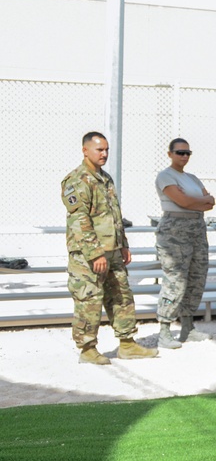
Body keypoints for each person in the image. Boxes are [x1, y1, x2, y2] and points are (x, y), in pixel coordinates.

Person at [62, 131, 158, 364]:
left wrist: (122, 245)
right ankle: (87, 349)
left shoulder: (105, 179)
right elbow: (80, 221)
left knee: (122, 296)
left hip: (112, 251)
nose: (104, 154)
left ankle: (127, 344)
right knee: (90, 300)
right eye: (99, 150)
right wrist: (95, 253)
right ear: (85, 150)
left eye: (106, 149)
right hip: (88, 255)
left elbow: (115, 216)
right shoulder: (76, 181)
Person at [153, 138, 215, 349]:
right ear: (170, 154)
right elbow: (185, 202)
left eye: (187, 152)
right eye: (180, 152)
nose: (184, 156)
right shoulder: (166, 176)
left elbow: (211, 202)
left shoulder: (192, 178)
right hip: (175, 231)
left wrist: (197, 202)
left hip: (196, 229)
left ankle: (187, 328)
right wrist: (199, 202)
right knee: (175, 280)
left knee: (196, 277)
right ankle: (165, 330)